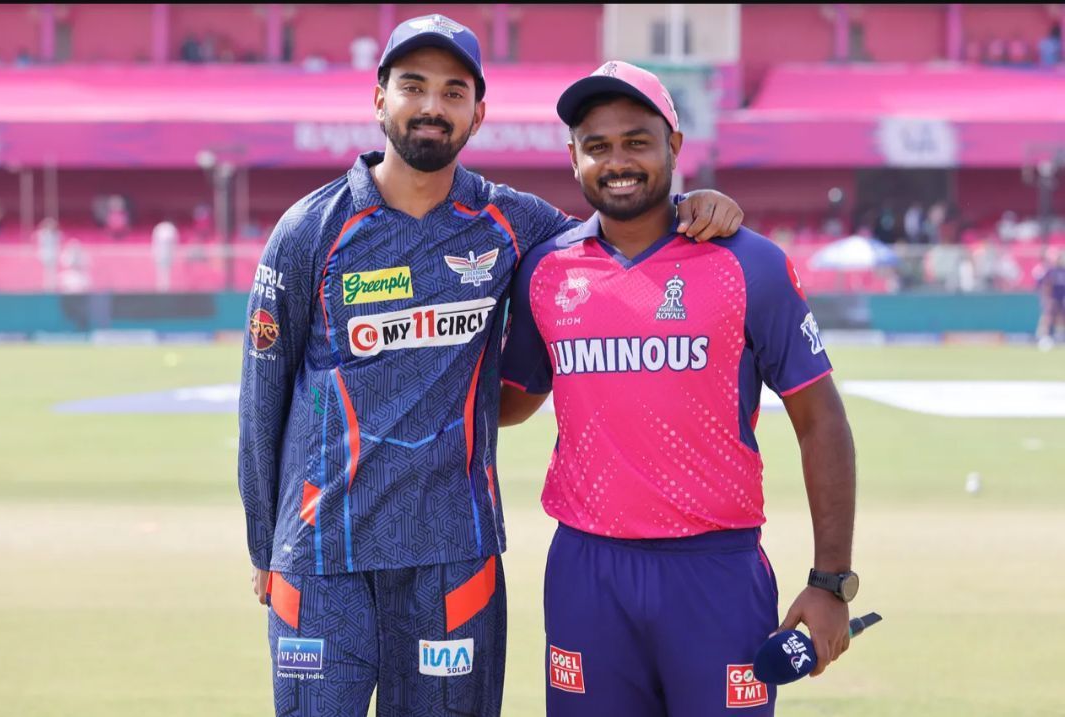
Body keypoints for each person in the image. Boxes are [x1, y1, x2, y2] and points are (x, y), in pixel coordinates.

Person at [237, 15, 745, 717]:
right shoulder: (309, 229)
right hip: (323, 561)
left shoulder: (514, 223)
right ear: (378, 98)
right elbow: (260, 402)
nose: (432, 106)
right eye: (413, 86)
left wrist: (685, 204)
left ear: (479, 112)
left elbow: (614, 227)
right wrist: (264, 545)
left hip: (453, 557)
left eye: (453, 92)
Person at [498, 61, 857, 717]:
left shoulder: (749, 262)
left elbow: (821, 418)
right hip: (588, 570)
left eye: (637, 140)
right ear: (573, 157)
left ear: (675, 146)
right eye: (597, 145)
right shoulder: (546, 270)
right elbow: (511, 399)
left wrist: (831, 580)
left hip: (714, 572)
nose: (618, 161)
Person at [1035, 249, 1065, 350]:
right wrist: (1047, 298)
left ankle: (1060, 336)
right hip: (1052, 298)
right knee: (1048, 316)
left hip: (1062, 298)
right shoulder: (1052, 271)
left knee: (1061, 317)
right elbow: (1046, 285)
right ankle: (1043, 336)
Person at [151, 218, 180, 292]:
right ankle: (161, 286)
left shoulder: (171, 230)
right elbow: (155, 242)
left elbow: (175, 242)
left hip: (169, 253)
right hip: (160, 253)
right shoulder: (159, 228)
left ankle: (167, 286)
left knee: (167, 271)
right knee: (160, 271)